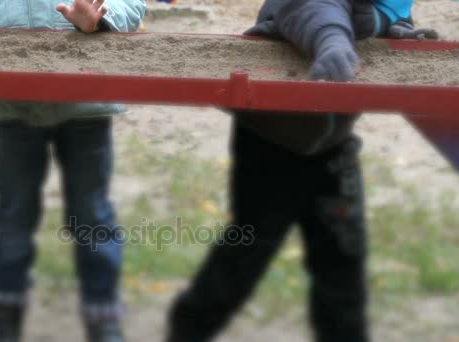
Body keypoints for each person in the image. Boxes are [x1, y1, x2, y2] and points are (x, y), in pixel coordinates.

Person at [166, 1, 437, 341]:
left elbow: (379, 16)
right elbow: (310, 8)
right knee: (247, 251)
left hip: (333, 147)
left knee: (343, 264)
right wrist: (333, 40)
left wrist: (397, 32)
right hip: (272, 145)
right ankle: (189, 327)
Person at [0, 0, 145, 341]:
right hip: (8, 97)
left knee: (91, 213)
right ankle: (4, 310)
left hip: (85, 95)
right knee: (14, 212)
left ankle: (102, 311)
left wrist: (102, 18)